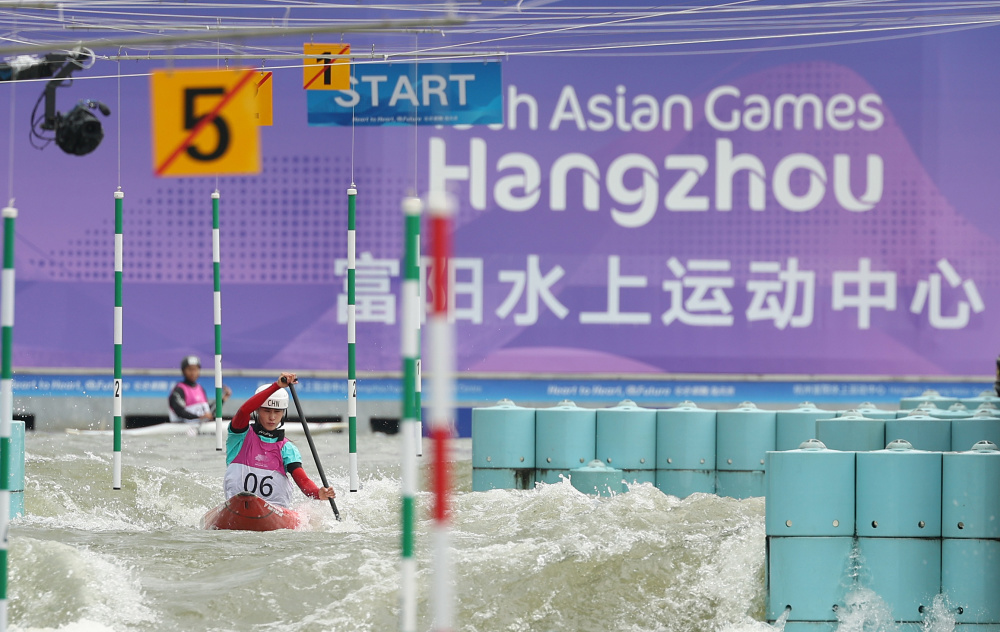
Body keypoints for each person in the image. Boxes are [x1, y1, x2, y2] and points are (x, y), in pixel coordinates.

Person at [224, 372, 335, 507]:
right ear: (257, 410)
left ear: (283, 413)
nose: (272, 417)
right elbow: (243, 411)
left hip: (274, 511)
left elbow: (303, 482)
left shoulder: (287, 448)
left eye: (277, 412)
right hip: (236, 506)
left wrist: (318, 493)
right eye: (267, 411)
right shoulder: (240, 435)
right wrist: (276, 386)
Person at [168, 355, 231, 423]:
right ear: (183, 371)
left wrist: (223, 399)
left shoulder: (200, 389)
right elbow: (179, 411)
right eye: (189, 369)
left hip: (198, 429)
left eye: (195, 369)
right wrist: (199, 417)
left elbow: (207, 412)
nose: (193, 373)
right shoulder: (179, 389)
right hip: (182, 430)